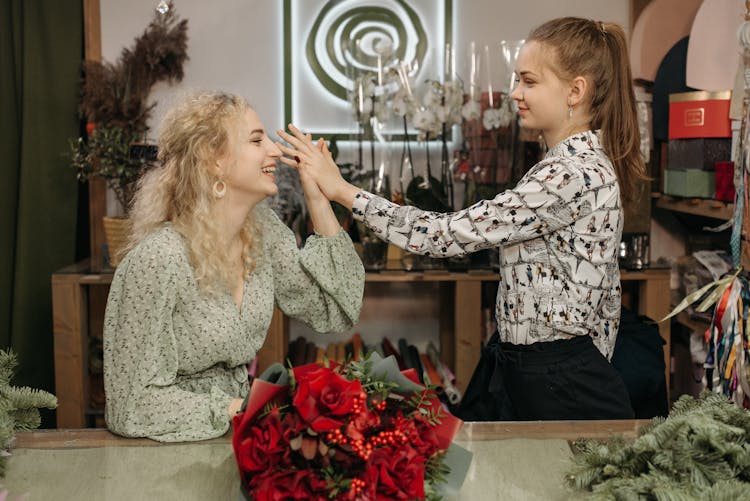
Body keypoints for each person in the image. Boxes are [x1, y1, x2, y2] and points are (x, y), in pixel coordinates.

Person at [278, 17, 647, 420]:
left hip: (560, 380)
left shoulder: (570, 174)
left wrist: (342, 191)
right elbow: (607, 299)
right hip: (546, 371)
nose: (514, 93)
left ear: (576, 90)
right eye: (516, 80)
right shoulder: (572, 165)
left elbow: (443, 236)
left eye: (529, 81)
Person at [103, 91, 365, 442]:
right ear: (214, 160)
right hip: (167, 449)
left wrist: (319, 196)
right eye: (257, 140)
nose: (275, 150)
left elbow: (335, 311)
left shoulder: (265, 235)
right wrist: (238, 409)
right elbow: (130, 405)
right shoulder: (159, 258)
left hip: (236, 438)